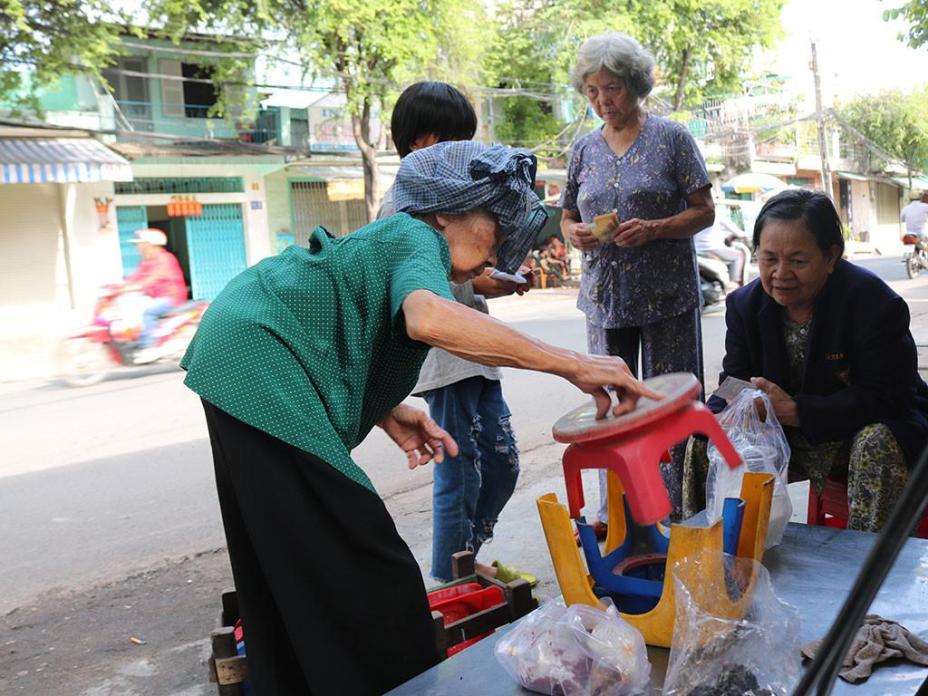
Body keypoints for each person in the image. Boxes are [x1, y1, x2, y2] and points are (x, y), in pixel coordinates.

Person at [181, 140, 659, 695]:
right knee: (367, 563)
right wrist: (573, 363)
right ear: (448, 212)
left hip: (239, 347)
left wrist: (387, 410)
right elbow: (428, 318)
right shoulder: (418, 235)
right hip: (257, 356)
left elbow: (338, 320)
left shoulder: (398, 243)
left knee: (287, 563)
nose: (499, 250)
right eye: (495, 228)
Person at [683, 189, 928, 531]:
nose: (781, 273)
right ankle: (711, 554)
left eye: (798, 261)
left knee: (876, 445)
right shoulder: (744, 306)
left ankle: (868, 573)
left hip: (854, 431)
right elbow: (734, 383)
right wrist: (721, 415)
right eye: (769, 259)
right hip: (782, 435)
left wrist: (798, 411)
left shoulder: (873, 303)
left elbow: (889, 395)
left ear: (831, 257)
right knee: (703, 440)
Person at [380, 81, 534, 585]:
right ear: (422, 141)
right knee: (460, 466)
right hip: (447, 359)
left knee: (503, 462)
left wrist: (503, 280)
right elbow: (420, 301)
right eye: (453, 140)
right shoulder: (403, 206)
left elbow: (466, 270)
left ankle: (466, 554)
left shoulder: (455, 197)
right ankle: (452, 575)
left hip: (478, 351)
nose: (465, 153)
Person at [560, 31, 714, 527]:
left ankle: (679, 510)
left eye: (613, 89)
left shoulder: (672, 138)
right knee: (612, 404)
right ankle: (623, 510)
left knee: (669, 401)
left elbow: (704, 212)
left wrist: (655, 229)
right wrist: (574, 234)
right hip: (605, 297)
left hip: (666, 294)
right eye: (592, 91)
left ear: (635, 84)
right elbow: (565, 215)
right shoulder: (583, 149)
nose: (602, 101)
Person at [123, 228, 187, 362]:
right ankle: (139, 338)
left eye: (140, 243)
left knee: (148, 312)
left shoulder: (165, 258)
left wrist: (139, 285)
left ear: (149, 244)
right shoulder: (145, 261)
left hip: (171, 297)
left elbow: (154, 277)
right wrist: (119, 286)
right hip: (156, 297)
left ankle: (148, 346)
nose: (137, 246)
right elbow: (135, 277)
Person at [693, 212, 751, 287]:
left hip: (697, 250)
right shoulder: (717, 214)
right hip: (713, 248)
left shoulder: (695, 215)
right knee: (739, 256)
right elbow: (739, 234)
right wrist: (747, 235)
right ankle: (734, 284)